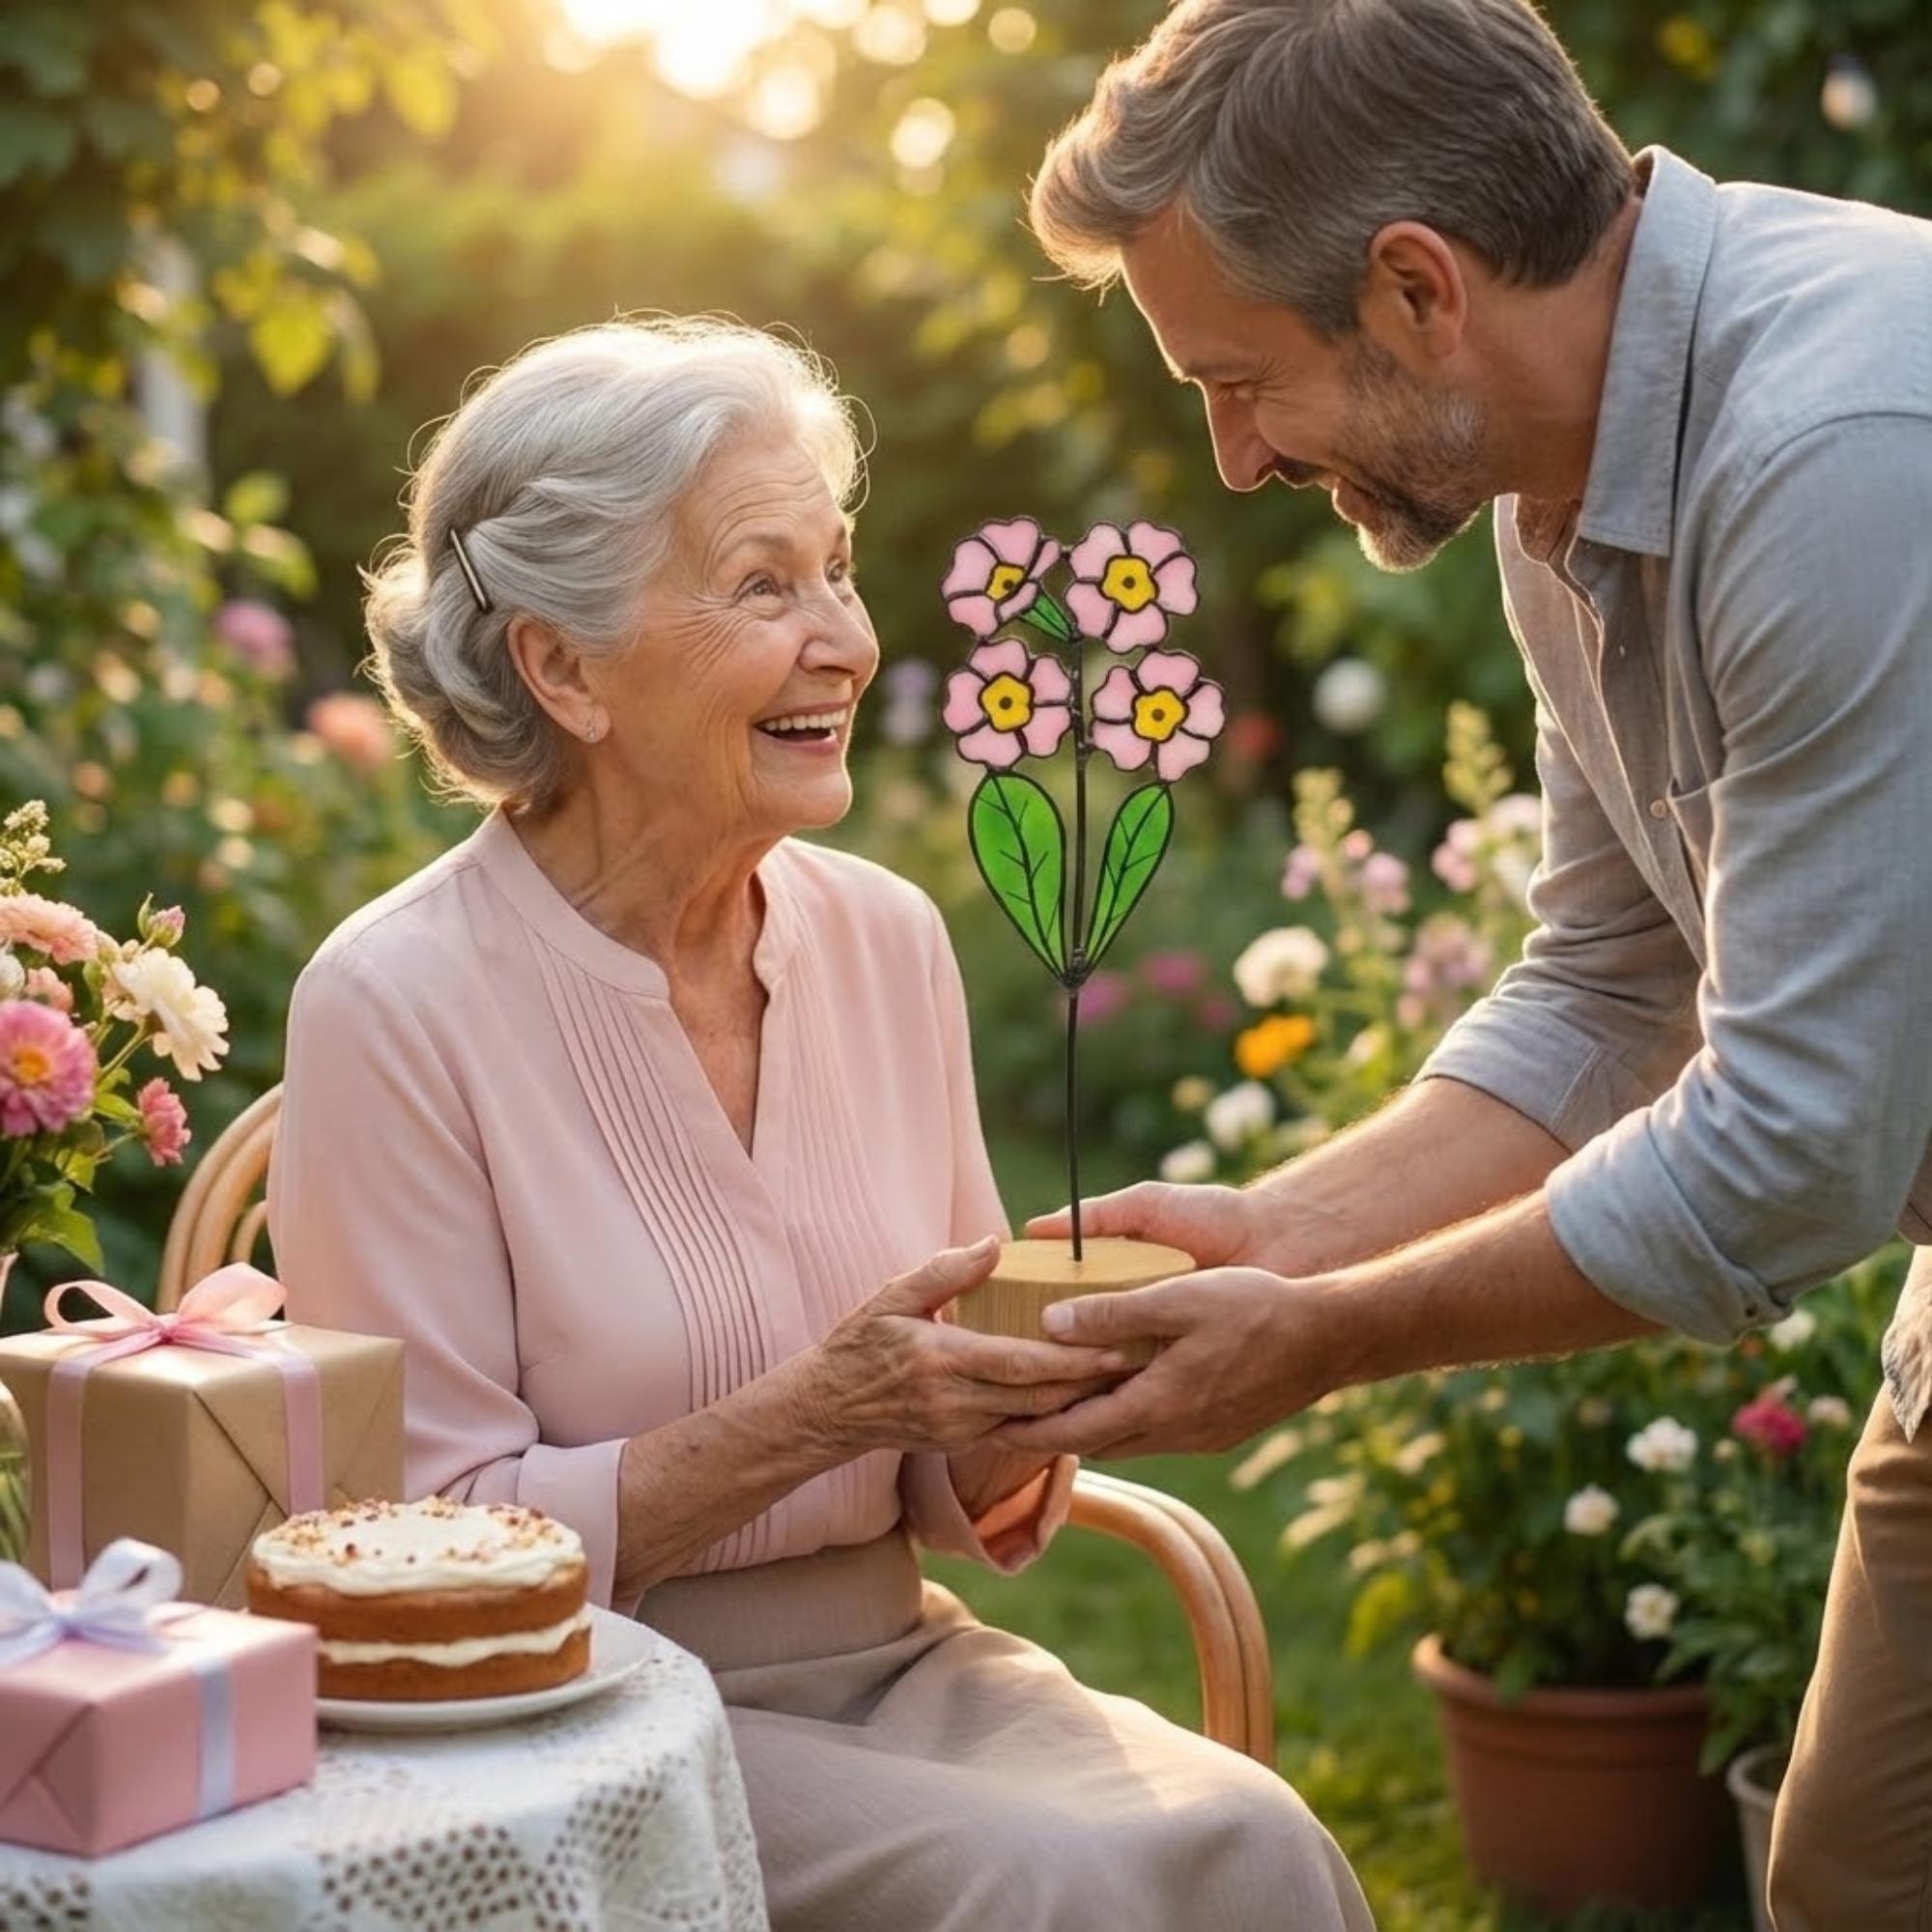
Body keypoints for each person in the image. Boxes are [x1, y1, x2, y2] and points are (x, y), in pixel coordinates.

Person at [268, 317, 1373, 1932]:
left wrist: (1029, 1396)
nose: (844, 639)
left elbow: (950, 1461)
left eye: (838, 572)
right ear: (562, 666)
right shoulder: (394, 1002)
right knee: (1048, 1883)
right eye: (763, 583)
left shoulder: (883, 937)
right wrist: (819, 1410)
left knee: (1251, 1837)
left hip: (909, 1658)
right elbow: (423, 1551)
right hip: (588, 1721)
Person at [1007, 2, 1932, 1924]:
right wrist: (1281, 1232)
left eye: (1238, 379)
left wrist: (1328, 1339)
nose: (1234, 458)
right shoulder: (1550, 484)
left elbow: (1793, 1143)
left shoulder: (1839, 444)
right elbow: (1610, 979)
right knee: (1856, 1882)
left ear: (1415, 287)